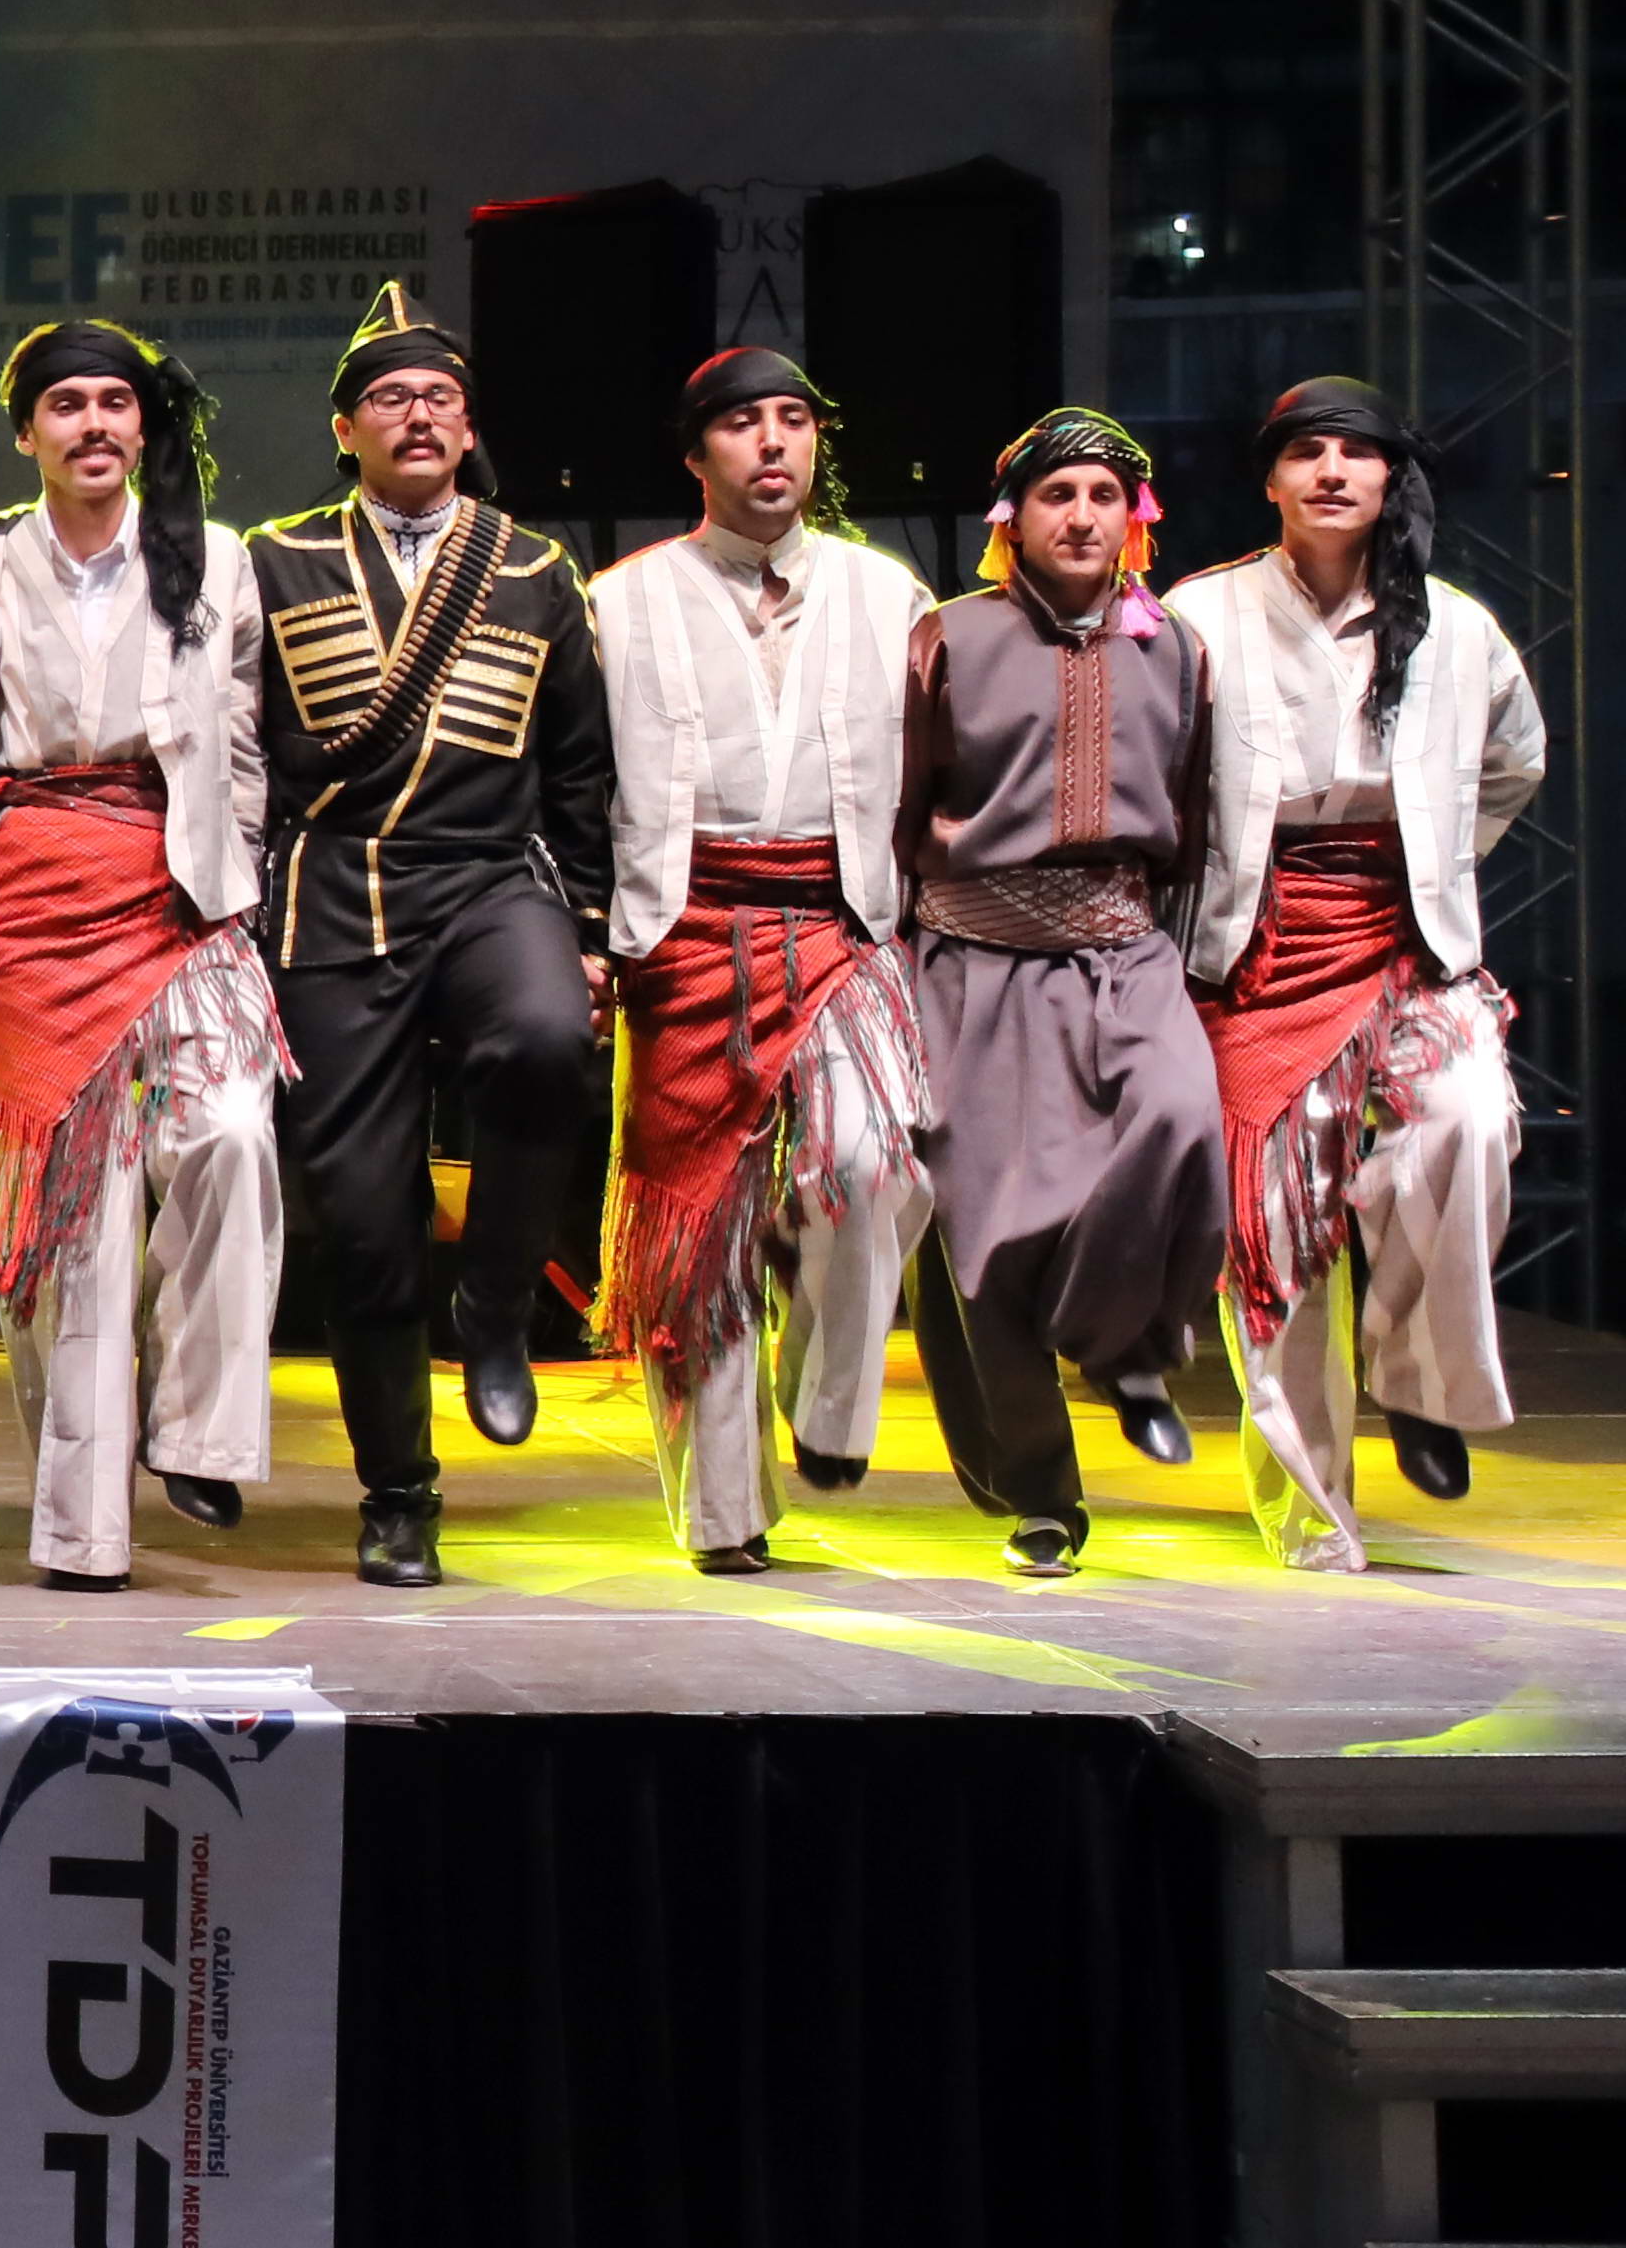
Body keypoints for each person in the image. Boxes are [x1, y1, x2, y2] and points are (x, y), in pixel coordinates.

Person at [245, 284, 613, 1591]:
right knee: (360, 1216)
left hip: (488, 876)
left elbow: (580, 762)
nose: (417, 415)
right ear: (344, 427)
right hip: (334, 889)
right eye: (390, 397)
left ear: (467, 427)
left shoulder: (533, 567)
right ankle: (398, 1488)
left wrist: (589, 925)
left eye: (440, 398)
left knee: (550, 1041)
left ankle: (499, 1300)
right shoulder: (276, 558)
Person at [1177, 379, 1545, 1570]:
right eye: (1306, 452)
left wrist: (1436, 856)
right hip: (1256, 943)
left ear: (1392, 478)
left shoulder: (1455, 626)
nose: (1332, 470)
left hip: (1403, 938)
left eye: (1356, 452)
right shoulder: (1198, 615)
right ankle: (1309, 1520)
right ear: (1270, 479)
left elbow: (1516, 759)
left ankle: (1422, 1379)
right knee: (1277, 1230)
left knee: (1468, 1120)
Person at [585, 351, 936, 1575]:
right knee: (697, 1224)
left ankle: (824, 1400)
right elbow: (576, 782)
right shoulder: (621, 600)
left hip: (840, 917)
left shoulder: (888, 594)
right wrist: (588, 929)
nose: (774, 442)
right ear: (696, 454)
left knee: (870, 1163)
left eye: (794, 419)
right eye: (743, 423)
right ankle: (721, 1511)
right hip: (680, 923)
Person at [0, 322, 281, 1593]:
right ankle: (82, 1530)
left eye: (115, 403)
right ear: (24, 429)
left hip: (180, 887)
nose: (93, 423)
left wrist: (236, 876)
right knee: (71, 1216)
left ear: (144, 427)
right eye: (66, 403)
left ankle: (198, 1435)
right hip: (35, 892)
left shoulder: (213, 558)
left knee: (232, 1136)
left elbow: (239, 742)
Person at [897, 408, 1227, 1579]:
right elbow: (900, 802)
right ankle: (1039, 1493)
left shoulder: (1174, 648)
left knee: (1181, 1123)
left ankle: (1122, 1343)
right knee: (987, 1237)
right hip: (972, 957)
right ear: (1014, 517)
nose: (1081, 516)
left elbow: (1192, 806)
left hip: (1123, 949)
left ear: (1133, 516)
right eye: (1056, 495)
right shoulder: (948, 636)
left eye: (1102, 495)